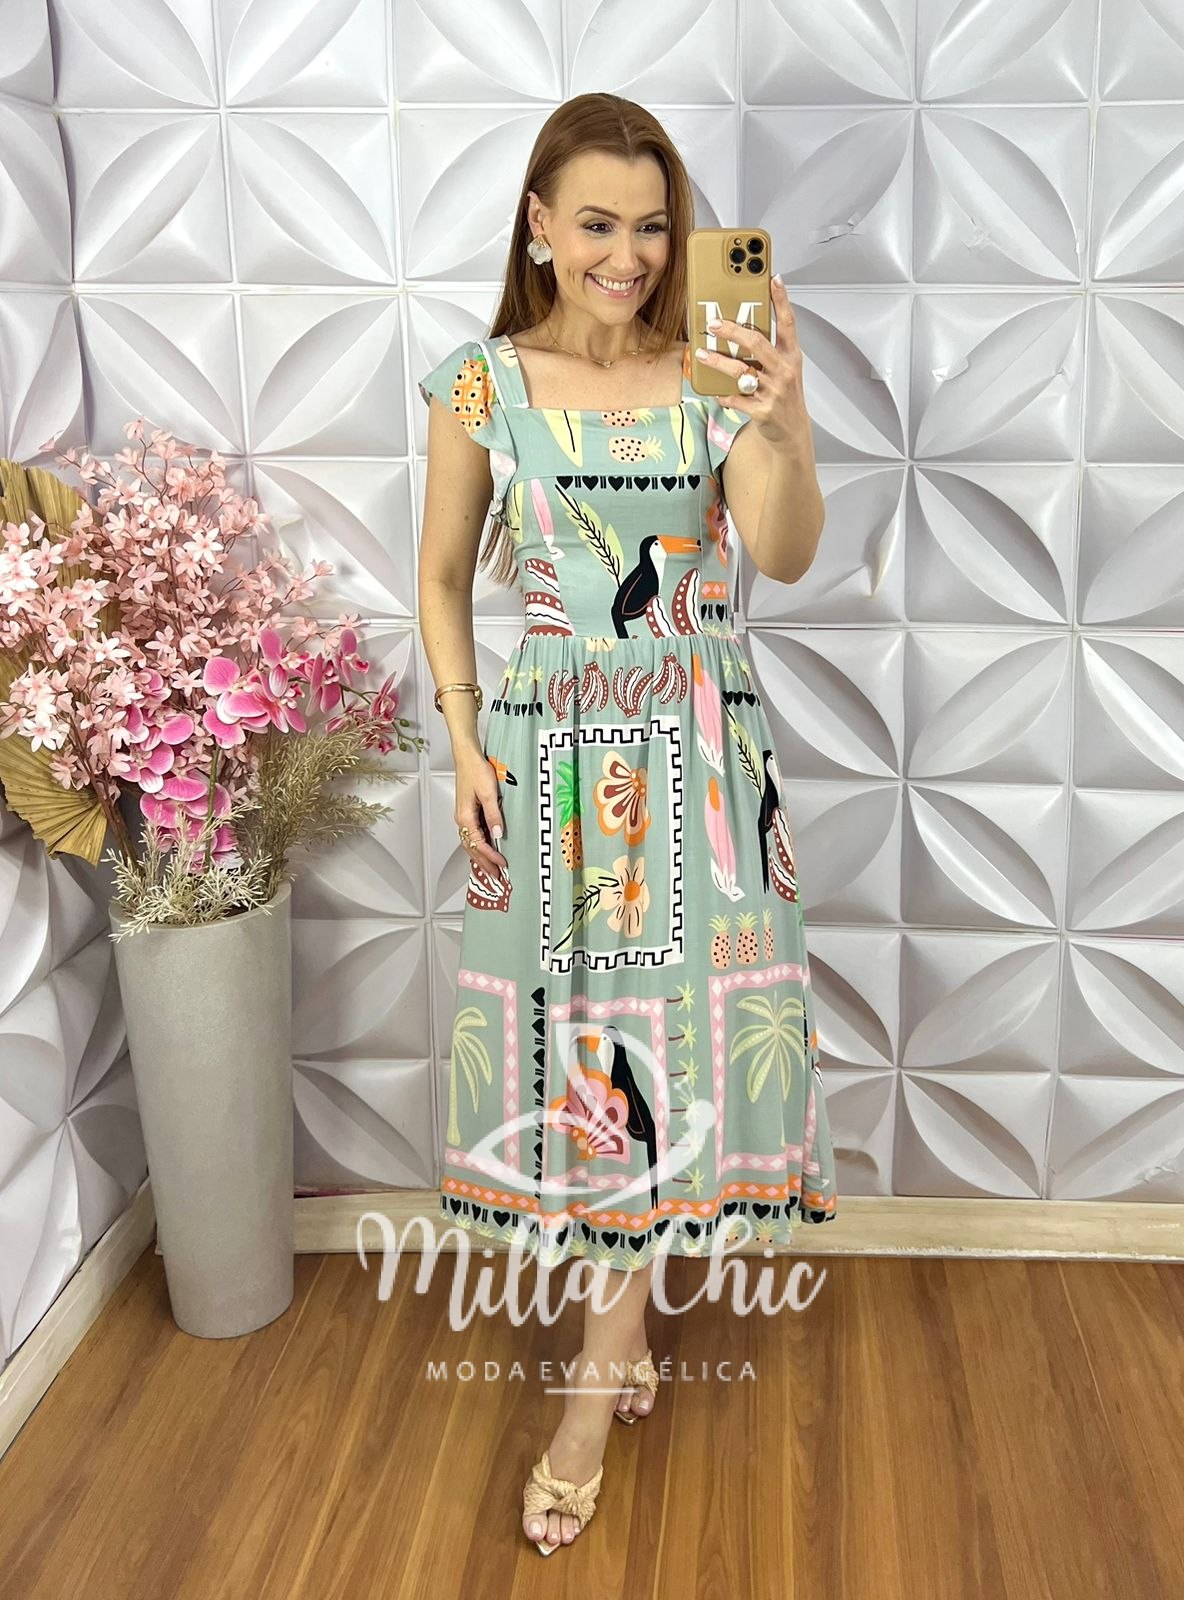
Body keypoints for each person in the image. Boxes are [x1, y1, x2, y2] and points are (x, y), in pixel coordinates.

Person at [416, 91, 838, 1557]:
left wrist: (784, 415)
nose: (631, 255)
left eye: (654, 227)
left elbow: (783, 551)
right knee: (596, 1063)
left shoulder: (718, 371)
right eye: (597, 223)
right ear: (538, 224)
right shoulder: (482, 385)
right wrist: (461, 739)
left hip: (705, 764)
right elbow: (441, 577)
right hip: (549, 764)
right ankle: (627, 1335)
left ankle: (589, 1408)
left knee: (665, 1052)